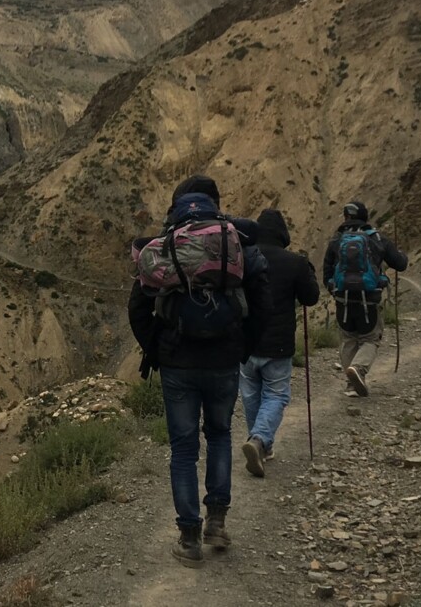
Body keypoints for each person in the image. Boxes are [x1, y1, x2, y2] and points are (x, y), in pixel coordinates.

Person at [129, 175, 271, 568]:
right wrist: (243, 345)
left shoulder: (163, 246)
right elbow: (262, 296)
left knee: (183, 449)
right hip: (224, 358)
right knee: (222, 436)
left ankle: (189, 539)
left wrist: (157, 351)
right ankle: (218, 523)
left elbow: (138, 309)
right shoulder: (234, 240)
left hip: (177, 363)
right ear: (214, 202)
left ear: (176, 205)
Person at [239, 208, 320, 478]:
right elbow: (311, 298)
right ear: (282, 234)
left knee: (251, 394)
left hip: (246, 342)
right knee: (275, 395)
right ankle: (260, 440)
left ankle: (261, 443)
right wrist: (307, 270)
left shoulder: (242, 258)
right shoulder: (293, 262)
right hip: (279, 344)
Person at [321, 201, 408, 398]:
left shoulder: (337, 240)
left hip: (343, 299)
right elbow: (400, 264)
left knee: (349, 338)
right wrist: (401, 254)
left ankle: (351, 385)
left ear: (346, 217)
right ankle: (358, 369)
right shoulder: (376, 238)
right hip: (369, 298)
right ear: (365, 217)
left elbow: (326, 271)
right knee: (370, 338)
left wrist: (333, 288)